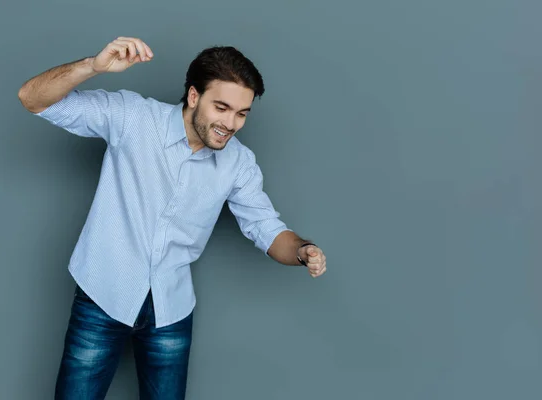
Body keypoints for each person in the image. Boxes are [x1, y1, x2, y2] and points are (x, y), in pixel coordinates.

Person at [18, 36, 327, 400]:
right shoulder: (133, 117)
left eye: (242, 113)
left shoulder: (238, 163)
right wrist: (93, 66)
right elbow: (32, 98)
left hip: (171, 310)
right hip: (102, 295)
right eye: (222, 107)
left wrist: (304, 249)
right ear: (194, 96)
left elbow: (267, 229)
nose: (231, 123)